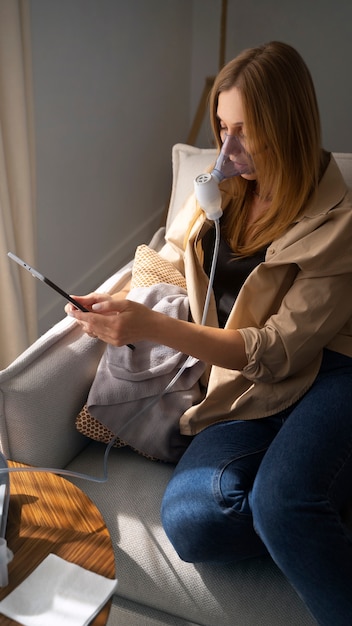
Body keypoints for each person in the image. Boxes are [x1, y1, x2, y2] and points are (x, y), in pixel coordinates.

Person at [66, 41, 352, 625]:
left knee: (280, 506)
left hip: (328, 371)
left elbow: (273, 351)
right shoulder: (220, 188)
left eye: (245, 130)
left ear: (288, 125)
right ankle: (317, 498)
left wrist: (155, 327)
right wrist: (123, 302)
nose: (227, 148)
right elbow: (175, 261)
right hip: (241, 385)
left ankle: (304, 501)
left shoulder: (339, 223)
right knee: (195, 522)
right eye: (222, 127)